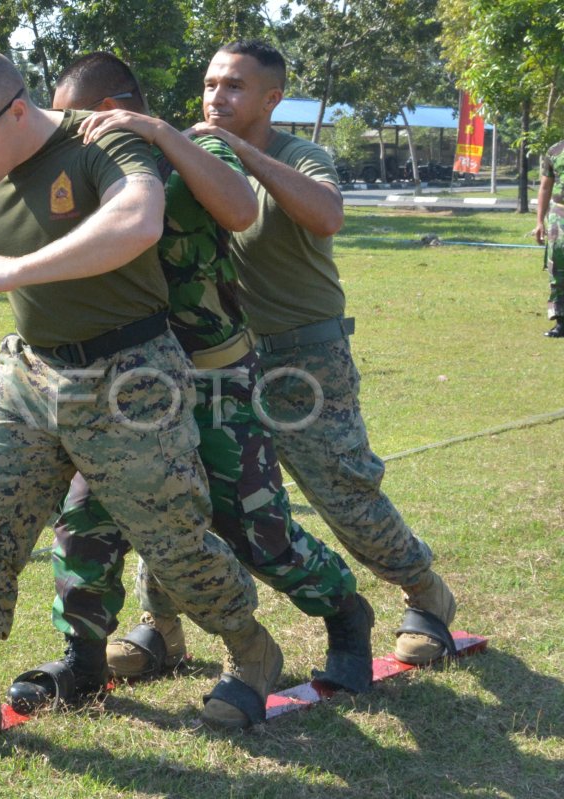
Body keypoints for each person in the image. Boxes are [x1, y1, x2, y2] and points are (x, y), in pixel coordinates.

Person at [0, 48, 281, 759]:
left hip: (132, 373)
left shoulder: (97, 139)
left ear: (16, 111)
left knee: (174, 539)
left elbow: (137, 220)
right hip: (31, 375)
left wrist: (16, 271)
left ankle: (250, 653)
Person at [8, 52, 374, 705]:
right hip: (126, 386)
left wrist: (161, 135)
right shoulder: (80, 165)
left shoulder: (193, 154)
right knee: (86, 520)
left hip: (213, 379)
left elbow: (237, 209)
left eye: (79, 116)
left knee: (255, 529)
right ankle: (83, 657)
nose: (68, 128)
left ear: (116, 108)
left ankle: (347, 619)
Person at [189, 40, 457, 666]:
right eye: (210, 85)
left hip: (303, 362)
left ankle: (425, 593)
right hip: (219, 363)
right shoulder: (195, 156)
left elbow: (327, 215)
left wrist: (246, 157)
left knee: (342, 492)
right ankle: (159, 627)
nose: (216, 97)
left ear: (270, 99)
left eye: (232, 86)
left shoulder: (300, 155)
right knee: (194, 493)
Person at [534, 139, 564, 338]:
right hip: (559, 217)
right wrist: (539, 222)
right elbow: (545, 187)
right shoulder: (555, 150)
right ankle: (561, 322)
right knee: (558, 271)